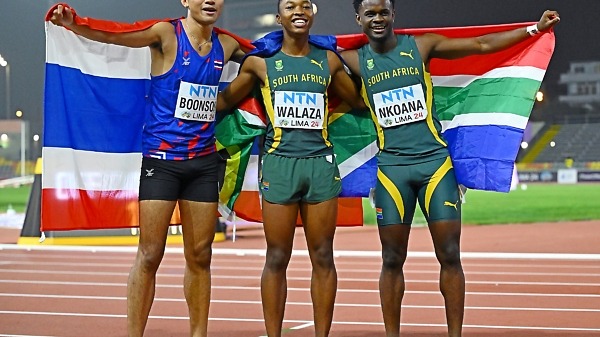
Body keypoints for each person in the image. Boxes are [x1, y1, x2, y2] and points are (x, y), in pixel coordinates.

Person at [340, 1, 560, 336]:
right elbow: (307, 62)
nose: (378, 18)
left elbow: (480, 45)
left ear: (393, 14)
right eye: (370, 13)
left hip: (435, 166)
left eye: (384, 11)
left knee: (450, 254)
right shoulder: (353, 61)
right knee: (391, 259)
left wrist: (535, 30)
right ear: (359, 19)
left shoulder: (422, 46)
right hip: (392, 170)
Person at [49, 1, 247, 336]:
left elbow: (272, 59)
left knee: (200, 255)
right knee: (150, 253)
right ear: (185, 0)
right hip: (161, 163)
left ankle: (199, 333)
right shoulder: (166, 34)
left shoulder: (227, 46)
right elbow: (116, 37)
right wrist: (75, 23)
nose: (210, 1)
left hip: (202, 163)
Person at [217, 0, 366, 335]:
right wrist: (178, 99)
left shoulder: (328, 60)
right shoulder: (260, 64)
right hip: (280, 166)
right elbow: (225, 102)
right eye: (290, 6)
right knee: (277, 256)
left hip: (320, 166)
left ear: (312, 14)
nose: (298, 10)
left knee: (324, 256)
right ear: (279, 17)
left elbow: (357, 101)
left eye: (305, 5)